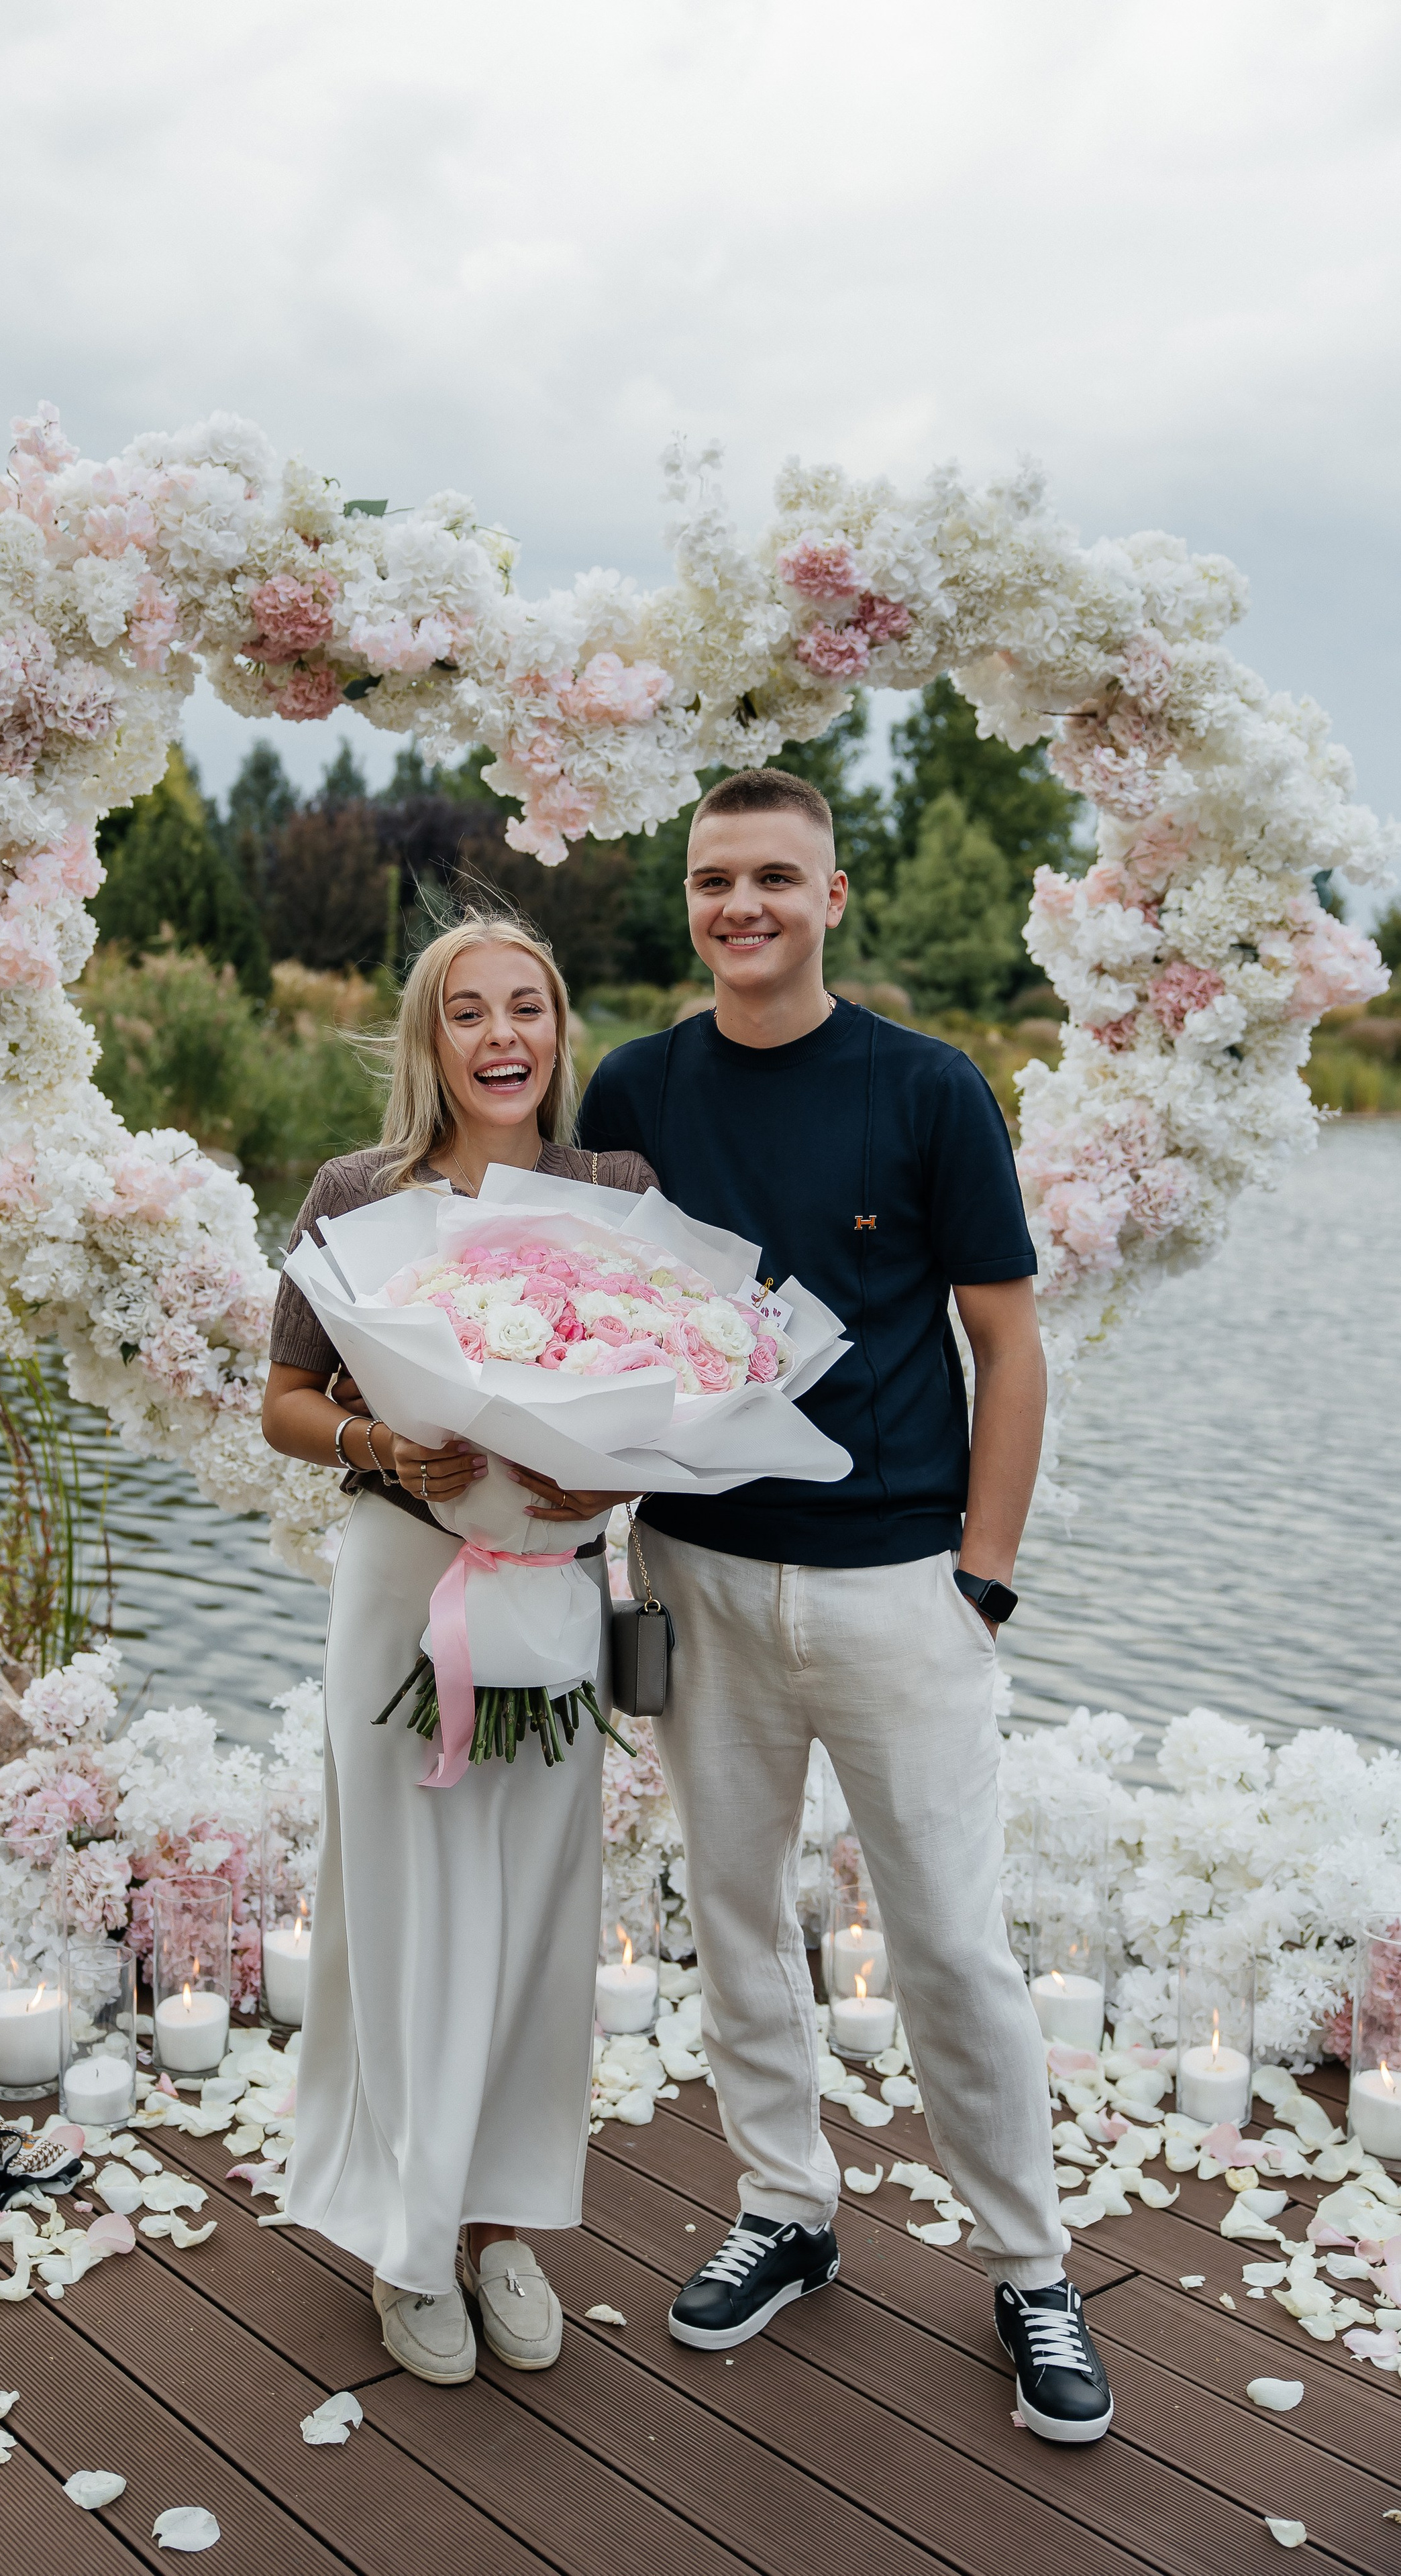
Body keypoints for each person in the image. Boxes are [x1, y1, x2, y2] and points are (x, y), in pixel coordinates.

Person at [577, 769, 1113, 2445]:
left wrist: (984, 1578)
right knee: (732, 1912)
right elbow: (588, 1327)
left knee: (950, 1941)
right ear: (687, 898)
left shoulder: (928, 1089)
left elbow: (1006, 1346)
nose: (740, 907)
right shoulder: (634, 1087)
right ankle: (785, 2211)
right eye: (711, 879)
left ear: (831, 896)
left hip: (898, 1585)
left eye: (773, 879)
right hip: (696, 1572)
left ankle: (1027, 2266)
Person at [262, 911, 654, 2387]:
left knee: (537, 1911)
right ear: (430, 1039)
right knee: (408, 1905)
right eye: (468, 1012)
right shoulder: (354, 1196)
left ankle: (498, 2228)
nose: (501, 1038)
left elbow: (672, 1391)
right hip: (400, 1585)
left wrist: (609, 1474)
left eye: (528, 1009)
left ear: (560, 1029)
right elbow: (284, 1399)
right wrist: (376, 1436)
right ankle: (399, 2238)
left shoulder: (615, 1192)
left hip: (551, 1591)